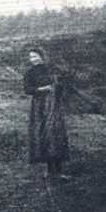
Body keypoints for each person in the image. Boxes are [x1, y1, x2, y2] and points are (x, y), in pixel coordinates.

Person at [23, 47, 70, 179]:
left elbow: (61, 85)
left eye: (35, 56)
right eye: (31, 57)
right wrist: (41, 89)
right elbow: (27, 90)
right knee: (44, 134)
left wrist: (58, 87)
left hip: (54, 105)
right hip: (39, 107)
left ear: (42, 56)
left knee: (56, 133)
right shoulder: (30, 73)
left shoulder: (51, 69)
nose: (33, 59)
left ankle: (59, 170)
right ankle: (49, 170)